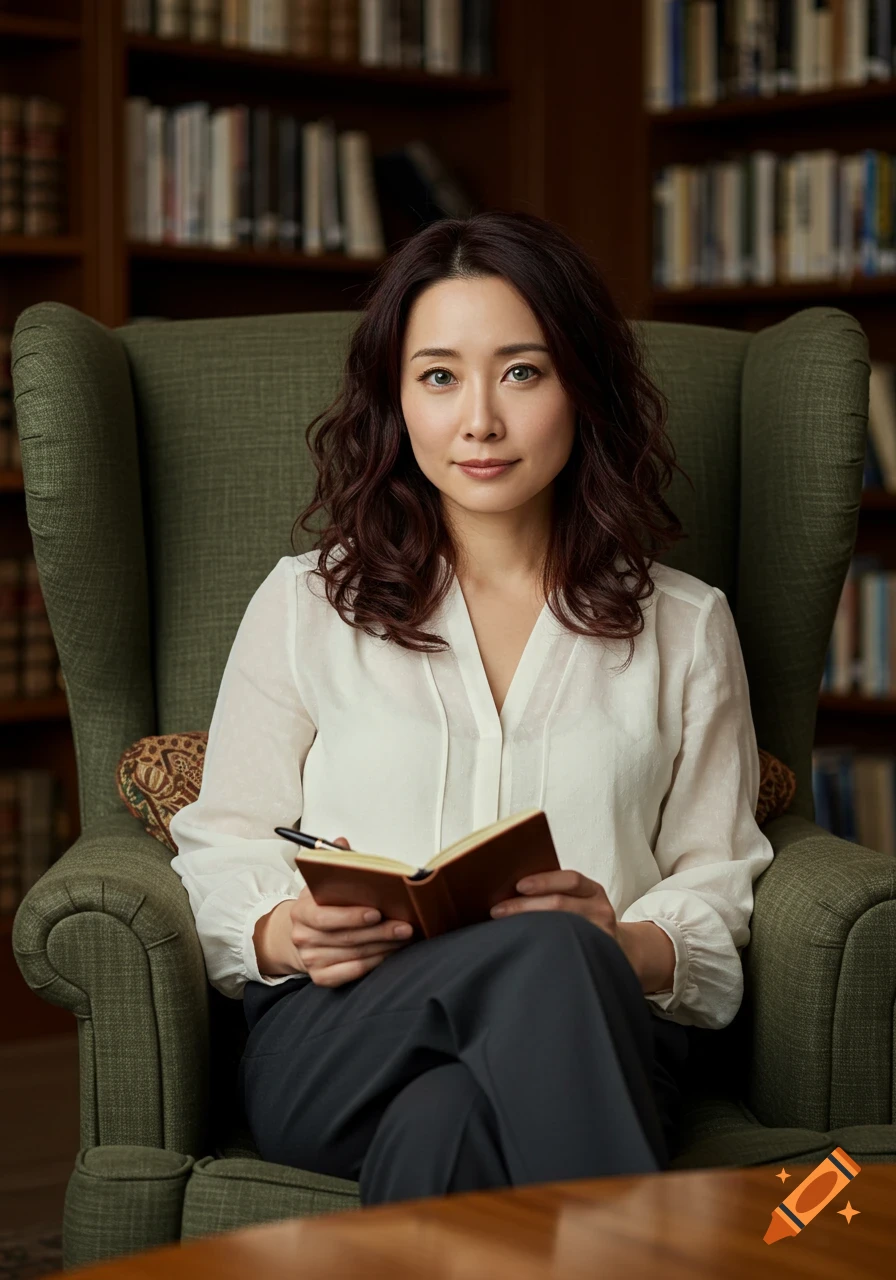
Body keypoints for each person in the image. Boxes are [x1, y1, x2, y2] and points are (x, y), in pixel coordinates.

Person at [168, 209, 775, 1205]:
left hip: (594, 1032)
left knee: (447, 1119)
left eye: (522, 371)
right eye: (439, 375)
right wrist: (280, 930)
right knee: (544, 951)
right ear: (396, 399)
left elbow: (716, 874)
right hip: (340, 1041)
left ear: (580, 384)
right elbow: (222, 841)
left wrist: (626, 943)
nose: (478, 420)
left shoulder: (683, 624)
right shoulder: (305, 604)